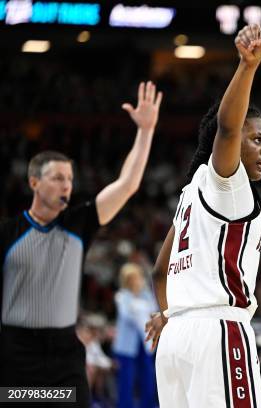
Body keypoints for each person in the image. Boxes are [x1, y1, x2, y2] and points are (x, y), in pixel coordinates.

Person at [0, 81, 162, 407]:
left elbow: (127, 184)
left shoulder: (79, 224)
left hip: (63, 354)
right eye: (57, 177)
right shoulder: (9, 233)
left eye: (70, 179)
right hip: (15, 354)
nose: (67, 185)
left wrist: (145, 131)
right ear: (34, 182)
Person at [145, 24, 261, 407]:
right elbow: (229, 127)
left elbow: (159, 270)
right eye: (258, 139)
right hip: (217, 330)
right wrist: (247, 67)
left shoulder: (190, 193)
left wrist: (168, 314)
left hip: (176, 339)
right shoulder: (225, 183)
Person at [113, 262, 158, 408]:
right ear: (127, 280)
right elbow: (126, 315)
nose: (137, 280)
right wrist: (141, 313)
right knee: (126, 381)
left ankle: (148, 405)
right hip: (127, 346)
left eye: (138, 277)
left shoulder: (146, 295)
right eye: (133, 278)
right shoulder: (122, 296)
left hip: (144, 343)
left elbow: (154, 313)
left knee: (148, 378)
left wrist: (138, 310)